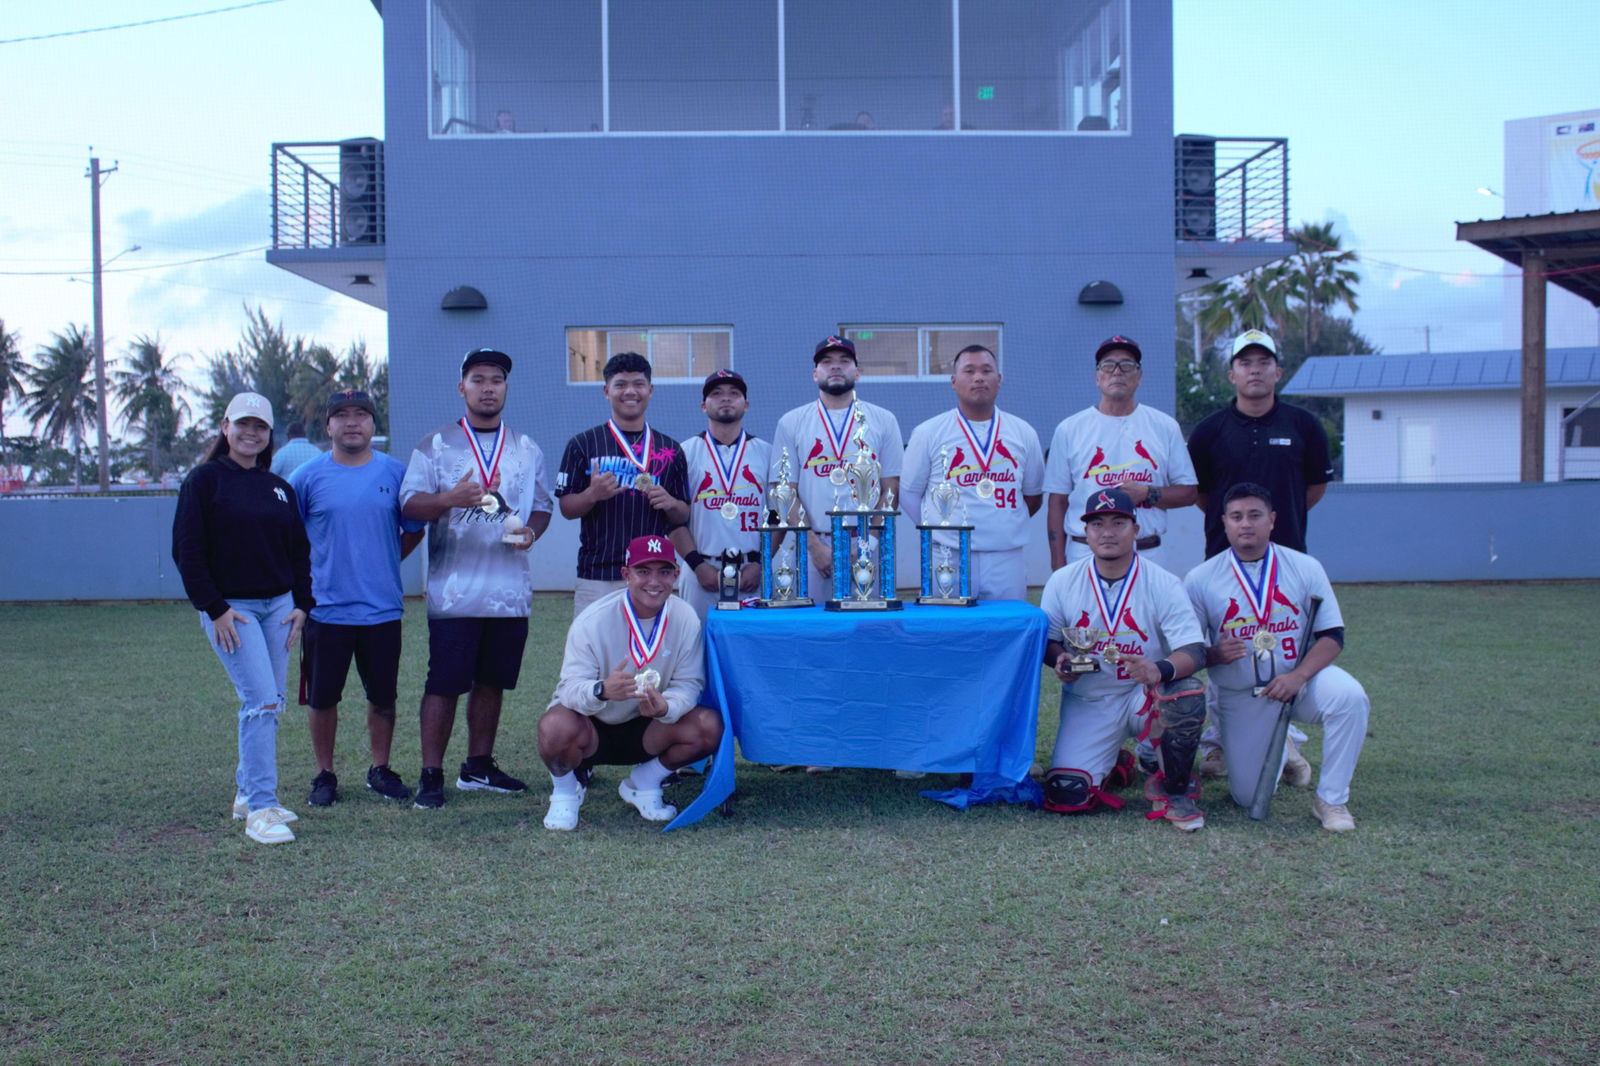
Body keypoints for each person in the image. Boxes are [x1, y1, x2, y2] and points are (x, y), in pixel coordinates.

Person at [399, 348, 553, 809]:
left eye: (497, 380)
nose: (488, 388)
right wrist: (449, 498)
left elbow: (542, 505)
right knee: (444, 684)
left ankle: (478, 766)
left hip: (509, 592)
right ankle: (431, 773)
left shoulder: (526, 448)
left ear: (506, 388)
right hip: (454, 591)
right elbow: (409, 504)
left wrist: (531, 533)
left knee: (492, 683)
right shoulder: (436, 445)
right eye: (478, 379)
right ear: (461, 387)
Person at [1183, 483, 1369, 831]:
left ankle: (1332, 800)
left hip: (1299, 681)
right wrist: (1213, 654)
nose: (1246, 524)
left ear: (1272, 519)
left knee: (1350, 697)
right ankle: (1281, 742)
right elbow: (1188, 650)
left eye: (1255, 515)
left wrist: (1298, 676)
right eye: (1236, 517)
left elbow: (1332, 636)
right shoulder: (1201, 578)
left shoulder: (1304, 566)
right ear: (1224, 522)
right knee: (1248, 795)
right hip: (1241, 694)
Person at [171, 392, 313, 845]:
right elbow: (187, 552)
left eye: (260, 427)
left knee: (271, 703)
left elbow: (299, 552)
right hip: (234, 611)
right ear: (225, 427)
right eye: (243, 424)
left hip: (279, 607)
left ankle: (245, 792)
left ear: (270, 435)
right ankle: (260, 808)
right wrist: (215, 609)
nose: (251, 433)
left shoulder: (278, 488)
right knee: (261, 702)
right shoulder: (204, 481)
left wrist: (302, 604)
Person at [1037, 488, 1209, 830]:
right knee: (1066, 793)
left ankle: (1174, 788)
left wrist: (1158, 669)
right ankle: (1118, 759)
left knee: (1185, 694)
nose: (1107, 531)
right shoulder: (1063, 580)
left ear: (1136, 529)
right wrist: (1061, 661)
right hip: (1092, 698)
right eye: (1097, 523)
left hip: (1146, 697)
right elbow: (1050, 641)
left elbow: (1194, 650)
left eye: (1118, 522)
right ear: (1085, 532)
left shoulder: (1163, 582)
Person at [289, 389, 426, 807]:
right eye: (342, 415)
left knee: (383, 697)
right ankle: (324, 774)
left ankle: (379, 769)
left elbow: (413, 528)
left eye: (361, 414)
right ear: (327, 426)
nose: (352, 422)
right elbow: (290, 538)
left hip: (381, 610)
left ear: (373, 424)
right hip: (326, 611)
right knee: (322, 697)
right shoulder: (307, 478)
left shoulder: (396, 473)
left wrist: (381, 562)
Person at [537, 536, 723, 830]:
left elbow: (690, 683)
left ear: (676, 574)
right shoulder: (593, 620)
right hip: (592, 726)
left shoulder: (685, 616)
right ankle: (565, 792)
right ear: (626, 575)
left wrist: (667, 707)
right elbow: (569, 688)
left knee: (708, 725)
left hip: (649, 727)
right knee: (554, 726)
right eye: (643, 571)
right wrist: (601, 690)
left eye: (663, 572)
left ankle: (644, 783)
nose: (654, 581)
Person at [901, 344, 1045, 600]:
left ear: (999, 380)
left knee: (1005, 631)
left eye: (986, 370)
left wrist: (1002, 524)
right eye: (969, 371)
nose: (978, 377)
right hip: (948, 554)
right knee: (947, 632)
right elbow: (909, 494)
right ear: (954, 381)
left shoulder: (1023, 432)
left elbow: (1033, 497)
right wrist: (939, 529)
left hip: (1005, 555)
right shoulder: (928, 432)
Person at [1044, 335, 1197, 573]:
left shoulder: (1164, 427)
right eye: (1108, 365)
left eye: (1127, 365)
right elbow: (1057, 501)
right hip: (1085, 554)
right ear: (1097, 377)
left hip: (1147, 553)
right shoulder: (1070, 429)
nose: (1117, 372)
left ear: (1139, 377)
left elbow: (1188, 492)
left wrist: (1148, 493)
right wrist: (1057, 565)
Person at [555, 352, 691, 618]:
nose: (630, 391)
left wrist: (671, 503)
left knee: (649, 654)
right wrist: (592, 494)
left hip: (652, 575)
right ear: (607, 391)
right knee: (595, 656)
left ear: (650, 390)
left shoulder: (671, 449)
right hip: (598, 575)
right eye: (620, 384)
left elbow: (683, 515)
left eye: (638, 384)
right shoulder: (582, 444)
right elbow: (567, 508)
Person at [769, 335, 904, 599]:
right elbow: (784, 491)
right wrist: (814, 546)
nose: (836, 367)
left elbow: (891, 489)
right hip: (810, 546)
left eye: (844, 361)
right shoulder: (791, 422)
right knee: (810, 629)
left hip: (867, 542)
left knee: (867, 630)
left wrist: (868, 545)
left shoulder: (883, 420)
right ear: (814, 373)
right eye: (827, 362)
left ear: (858, 372)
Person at [1187, 329, 1334, 559]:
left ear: (1278, 373)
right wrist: (1238, 517)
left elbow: (1316, 487)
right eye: (1245, 363)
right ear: (1232, 375)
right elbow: (1200, 493)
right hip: (1223, 554)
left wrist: (1277, 515)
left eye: (1264, 363)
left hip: (1287, 552)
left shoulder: (1304, 425)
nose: (1255, 370)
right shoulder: (1208, 431)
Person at [674, 369, 770, 619]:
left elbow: (777, 516)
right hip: (701, 570)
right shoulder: (684, 453)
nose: (725, 398)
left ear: (746, 404)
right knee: (697, 648)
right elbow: (673, 519)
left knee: (751, 647)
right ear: (703, 405)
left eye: (734, 393)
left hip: (753, 572)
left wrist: (760, 564)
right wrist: (697, 566)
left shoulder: (766, 453)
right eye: (716, 394)